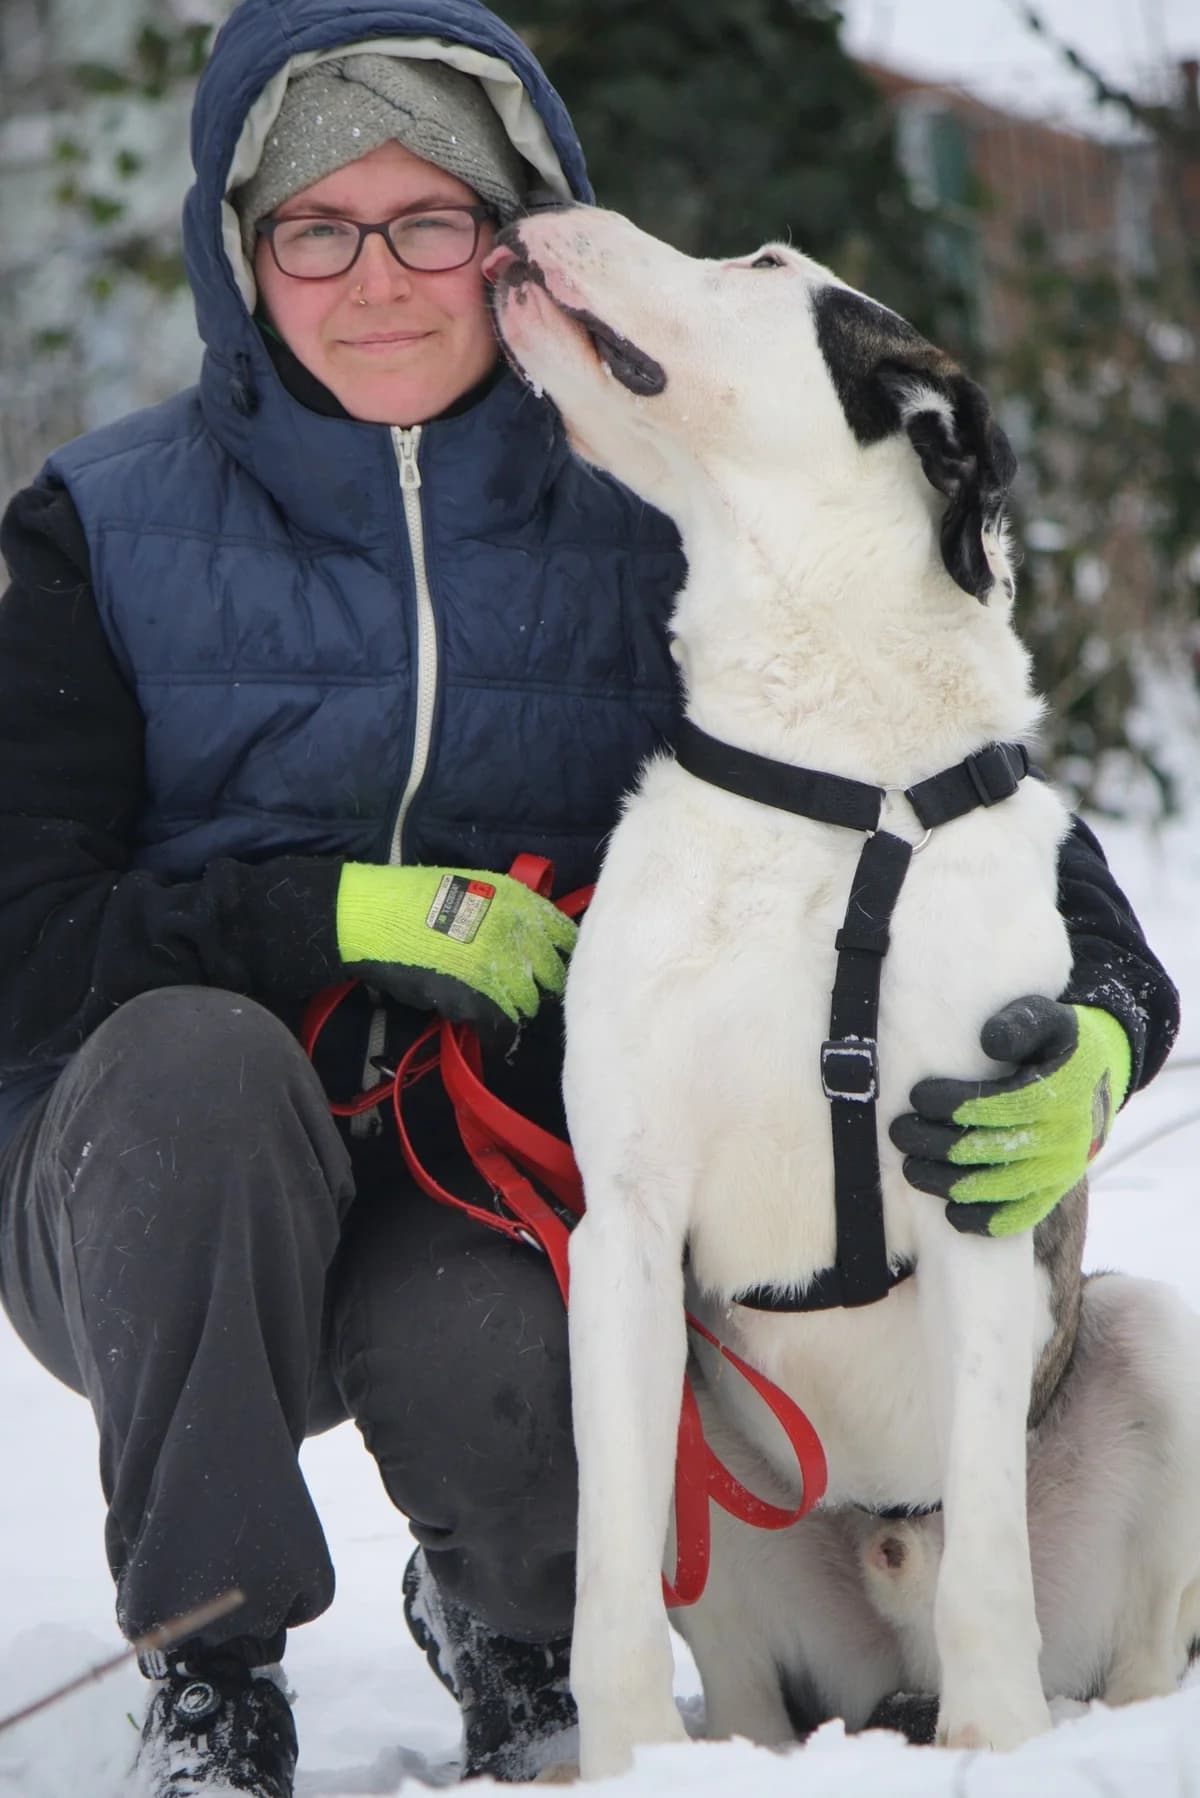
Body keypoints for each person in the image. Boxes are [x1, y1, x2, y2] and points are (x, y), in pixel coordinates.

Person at [0, 0, 1178, 1792]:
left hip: (477, 1182)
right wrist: (328, 918)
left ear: (506, 237)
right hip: (150, 1194)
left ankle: (510, 1621)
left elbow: (983, 829)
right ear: (240, 256)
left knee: (502, 1327)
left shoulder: (651, 523)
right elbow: (20, 939)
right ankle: (211, 1670)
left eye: (429, 221)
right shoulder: (96, 529)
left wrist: (1103, 1022)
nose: (375, 279)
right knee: (197, 1076)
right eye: (316, 228)